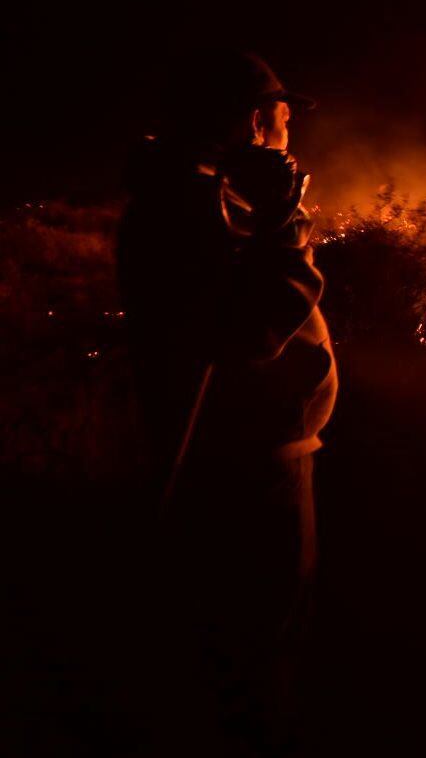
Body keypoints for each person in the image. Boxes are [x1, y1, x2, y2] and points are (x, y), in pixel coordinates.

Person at [117, 51, 337, 751]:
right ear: (252, 120)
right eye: (281, 111)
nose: (288, 124)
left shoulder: (193, 196)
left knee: (238, 640)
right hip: (250, 462)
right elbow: (248, 332)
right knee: (258, 645)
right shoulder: (189, 208)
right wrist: (284, 222)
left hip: (250, 449)